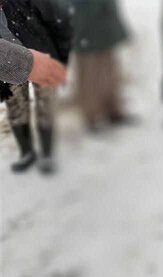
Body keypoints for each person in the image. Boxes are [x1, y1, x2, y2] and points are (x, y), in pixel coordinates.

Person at [1, 0, 72, 174]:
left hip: (43, 56)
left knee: (45, 104)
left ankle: (47, 153)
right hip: (11, 67)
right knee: (16, 107)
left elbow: (56, 20)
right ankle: (27, 153)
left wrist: (61, 57)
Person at [70, 0, 129, 131]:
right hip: (84, 24)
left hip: (105, 24)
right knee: (89, 74)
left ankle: (112, 109)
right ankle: (91, 115)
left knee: (109, 69)